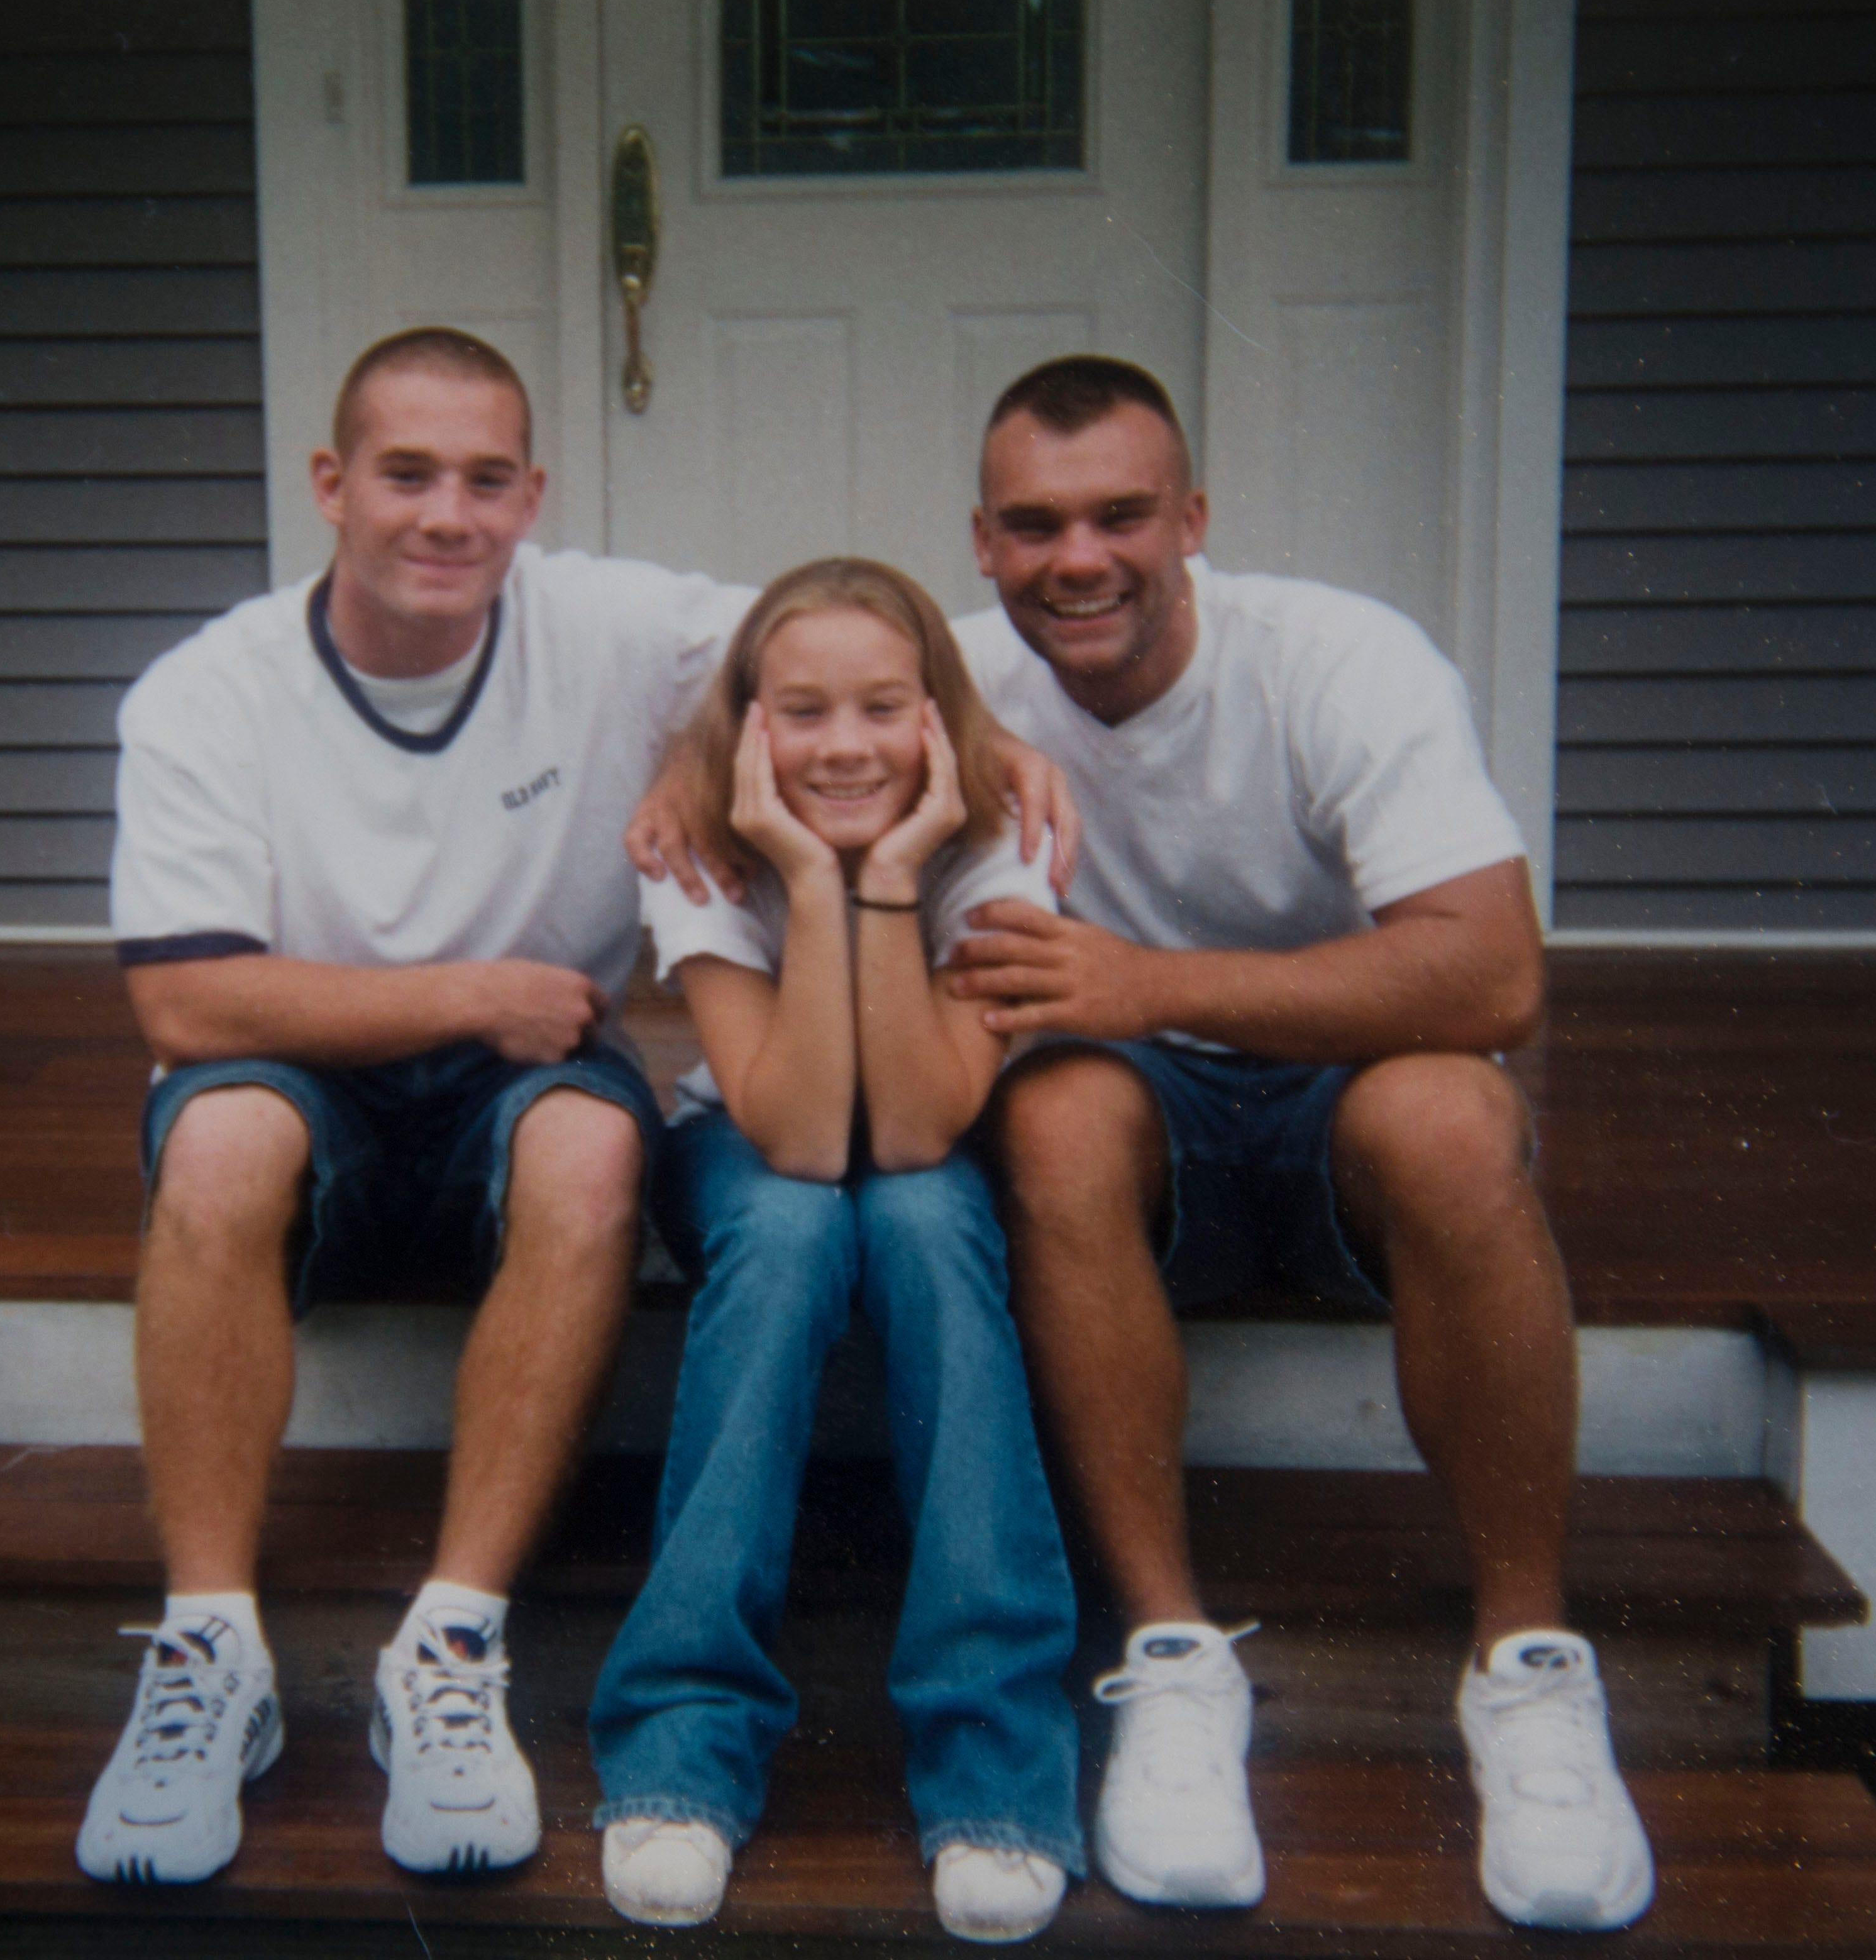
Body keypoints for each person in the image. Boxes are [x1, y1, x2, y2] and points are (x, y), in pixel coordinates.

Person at [83, 329, 1074, 1888]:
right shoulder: (208, 693)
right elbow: (185, 1005)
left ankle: (453, 1639)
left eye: (486, 480)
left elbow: (821, 646)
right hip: (303, 1077)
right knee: (216, 1136)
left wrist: (984, 726)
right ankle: (211, 1650)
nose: (446, 516)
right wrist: (477, 993)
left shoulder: (606, 622)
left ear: (533, 495)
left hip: (528, 1094)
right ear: (330, 486)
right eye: (404, 475)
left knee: (601, 1141)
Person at [942, 356, 1656, 1931]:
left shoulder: (1336, 657)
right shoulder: (950, 684)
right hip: (1132, 1120)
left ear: (1190, 519)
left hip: (1345, 1086)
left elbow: (1494, 972)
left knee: (1457, 1114)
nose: (1081, 559)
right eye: (1036, 524)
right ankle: (1171, 1660)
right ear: (982, 544)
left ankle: (1524, 1669)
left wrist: (1146, 985)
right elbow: (739, 681)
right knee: (1052, 1118)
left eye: (1122, 515)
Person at [590, 560, 1081, 1945]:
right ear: (746, 726)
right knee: (800, 1224)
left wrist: (897, 868)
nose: (845, 745)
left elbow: (915, 1130)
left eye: (881, 707)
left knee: (924, 1219)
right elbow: (802, 1137)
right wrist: (809, 874)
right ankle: (680, 1742)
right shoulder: (703, 844)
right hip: (752, 1152)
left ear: (937, 714)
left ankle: (995, 1771)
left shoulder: (1002, 846)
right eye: (800, 711)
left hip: (928, 1151)